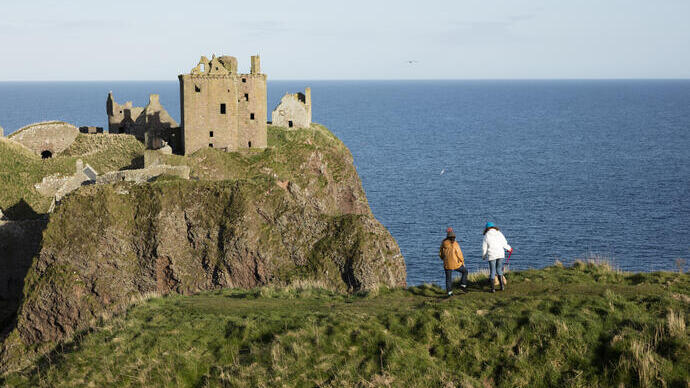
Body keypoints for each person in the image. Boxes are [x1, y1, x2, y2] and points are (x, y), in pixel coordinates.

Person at [482, 222, 512, 293]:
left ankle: (492, 289)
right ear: (494, 227)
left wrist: (484, 256)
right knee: (499, 270)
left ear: (487, 228)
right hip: (500, 254)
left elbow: (484, 248)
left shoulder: (486, 235)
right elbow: (504, 243)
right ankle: (502, 287)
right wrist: (509, 248)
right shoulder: (499, 233)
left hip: (492, 255)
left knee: (492, 271)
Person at [439, 227, 468, 296]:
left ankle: (449, 292)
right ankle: (463, 286)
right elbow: (459, 254)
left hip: (447, 264)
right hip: (456, 264)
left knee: (448, 278)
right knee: (465, 271)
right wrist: (462, 262)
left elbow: (440, 253)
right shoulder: (455, 244)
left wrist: (444, 259)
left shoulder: (443, 243)